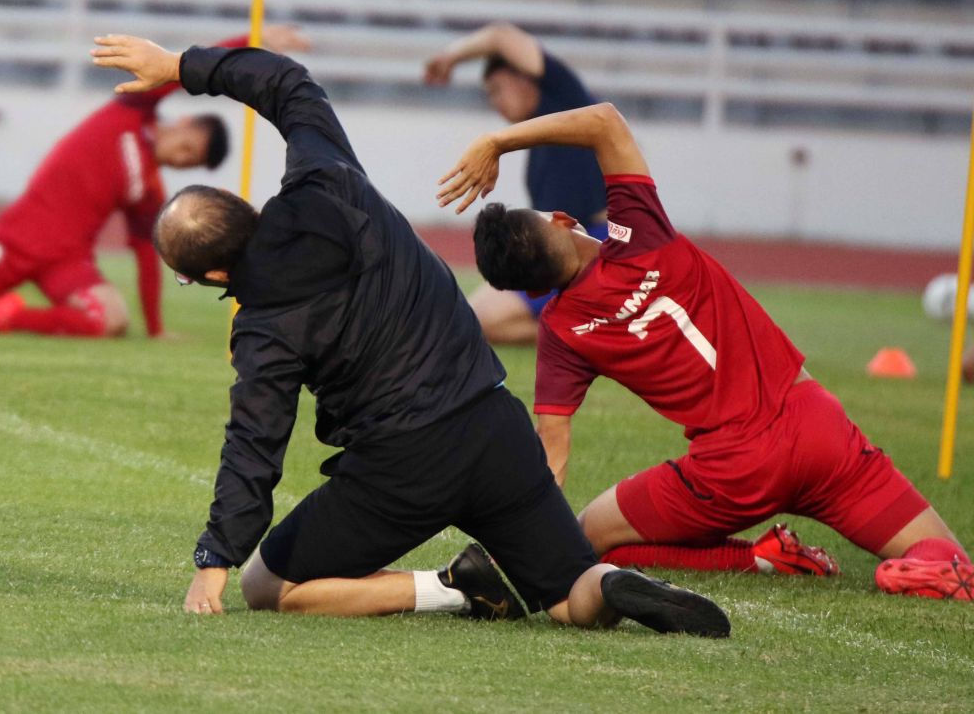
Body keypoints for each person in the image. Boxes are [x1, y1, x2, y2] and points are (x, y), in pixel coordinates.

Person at [89, 33, 730, 635]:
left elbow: (255, 445)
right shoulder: (327, 179)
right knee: (568, 597)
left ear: (217, 273)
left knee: (270, 586)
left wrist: (215, 561)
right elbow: (285, 82)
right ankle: (611, 585)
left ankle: (452, 587)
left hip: (402, 466)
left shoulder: (263, 330)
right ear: (245, 208)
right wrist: (178, 66)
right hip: (491, 421)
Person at [440, 102, 973, 600]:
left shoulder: (559, 328)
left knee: (595, 537)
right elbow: (604, 121)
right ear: (563, 219)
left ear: (532, 291)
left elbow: (551, 453)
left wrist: (528, 540)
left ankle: (765, 559)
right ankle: (927, 567)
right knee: (947, 555)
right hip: (818, 429)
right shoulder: (638, 231)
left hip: (732, 472)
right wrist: (498, 142)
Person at [0, 27, 303, 340]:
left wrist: (155, 329)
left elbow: (149, 255)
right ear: (183, 124)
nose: (180, 159)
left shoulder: (148, 192)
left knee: (112, 321)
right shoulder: (134, 109)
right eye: (187, 147)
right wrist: (253, 38)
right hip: (17, 239)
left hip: (68, 260)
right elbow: (180, 71)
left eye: (190, 162)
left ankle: (9, 317)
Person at [424, 22, 606, 345]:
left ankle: (596, 330)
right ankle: (595, 334)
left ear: (523, 76)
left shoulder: (565, 99)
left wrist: (449, 57)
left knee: (474, 318)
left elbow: (501, 36)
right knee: (473, 318)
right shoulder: (537, 148)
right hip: (562, 249)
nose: (495, 102)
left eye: (496, 89)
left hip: (595, 241)